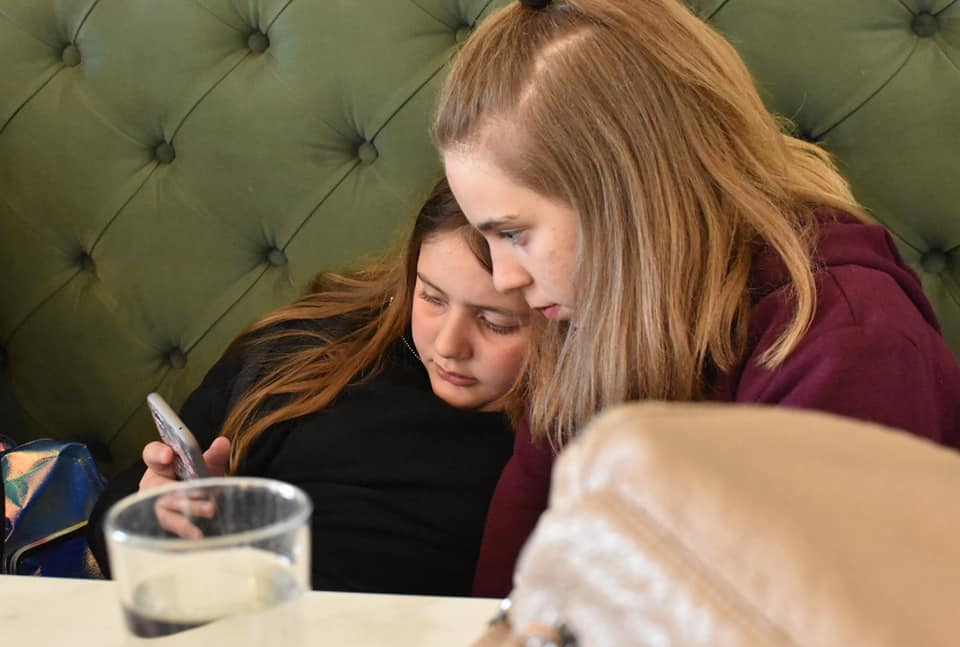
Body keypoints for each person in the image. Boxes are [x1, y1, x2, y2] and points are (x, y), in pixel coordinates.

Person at [433, 0, 960, 596]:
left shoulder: (851, 345)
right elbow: (518, 564)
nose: (504, 278)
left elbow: (810, 628)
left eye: (513, 233)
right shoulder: (589, 303)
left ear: (628, 199)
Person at [87, 178, 532, 596]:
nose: (449, 346)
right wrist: (156, 515)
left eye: (497, 322)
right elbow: (114, 515)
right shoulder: (309, 347)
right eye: (432, 297)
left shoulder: (550, 444)